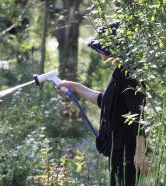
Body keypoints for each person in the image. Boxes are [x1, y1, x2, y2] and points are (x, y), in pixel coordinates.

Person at [55, 23, 151, 186]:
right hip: (118, 149)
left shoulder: (130, 73)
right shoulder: (119, 71)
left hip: (128, 151)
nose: (100, 49)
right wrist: (75, 86)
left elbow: (138, 114)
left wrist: (140, 153)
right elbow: (106, 102)